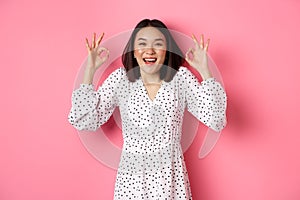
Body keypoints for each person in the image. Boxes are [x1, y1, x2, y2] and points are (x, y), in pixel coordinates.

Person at [68, 19, 227, 200]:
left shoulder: (181, 78)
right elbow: (84, 119)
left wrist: (205, 71)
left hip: (170, 178)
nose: (149, 50)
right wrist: (90, 70)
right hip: (132, 181)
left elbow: (215, 119)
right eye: (142, 44)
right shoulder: (121, 79)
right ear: (134, 52)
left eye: (157, 44)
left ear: (166, 51)